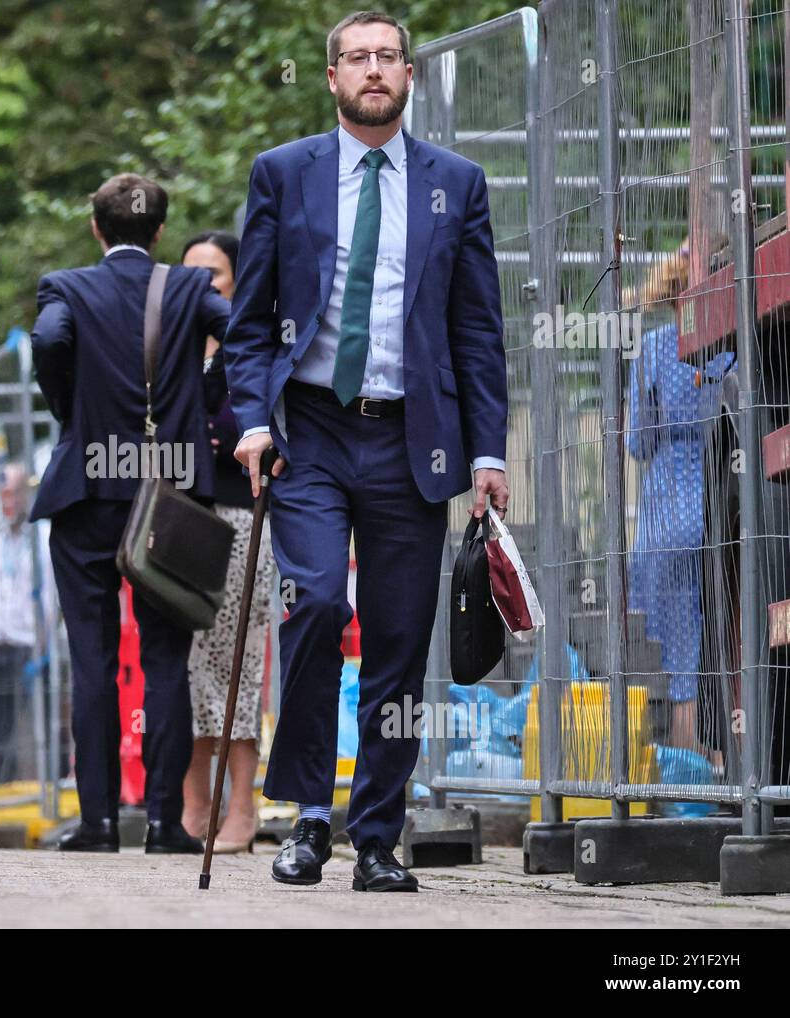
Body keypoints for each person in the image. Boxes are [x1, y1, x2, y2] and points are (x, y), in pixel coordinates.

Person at [224, 10, 509, 891]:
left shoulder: (455, 184)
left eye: (388, 57)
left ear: (410, 76)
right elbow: (247, 328)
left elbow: (477, 331)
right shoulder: (284, 175)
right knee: (313, 605)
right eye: (358, 58)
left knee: (396, 637)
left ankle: (377, 834)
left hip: (413, 443)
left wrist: (487, 452)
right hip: (308, 432)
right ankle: (309, 817)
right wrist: (252, 418)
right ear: (332, 77)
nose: (374, 71)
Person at [29, 172, 232, 853]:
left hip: (87, 493)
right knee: (166, 661)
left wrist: (72, 416)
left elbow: (51, 342)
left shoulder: (67, 288)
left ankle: (99, 821)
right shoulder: (189, 288)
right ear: (160, 231)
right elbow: (240, 335)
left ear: (96, 228)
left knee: (93, 662)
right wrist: (203, 403)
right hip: (170, 498)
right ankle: (167, 824)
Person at [179, 230, 277, 853]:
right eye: (188, 273)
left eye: (212, 273)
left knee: (237, 661)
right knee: (187, 665)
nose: (200, 284)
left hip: (242, 519)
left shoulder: (251, 347)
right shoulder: (168, 345)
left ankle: (242, 803)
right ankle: (194, 797)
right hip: (180, 522)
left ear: (236, 280)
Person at [625, 242, 734, 759]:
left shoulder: (652, 348)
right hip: (724, 500)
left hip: (666, 508)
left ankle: (685, 777)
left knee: (676, 648)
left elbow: (638, 443)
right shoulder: (734, 345)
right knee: (725, 637)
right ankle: (728, 767)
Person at [0, 464, 53, 787]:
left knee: (40, 724)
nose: (9, 500)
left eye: (15, 493)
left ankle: (47, 784)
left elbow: (51, 595)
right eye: (3, 493)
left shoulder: (44, 538)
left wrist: (44, 641)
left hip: (30, 645)